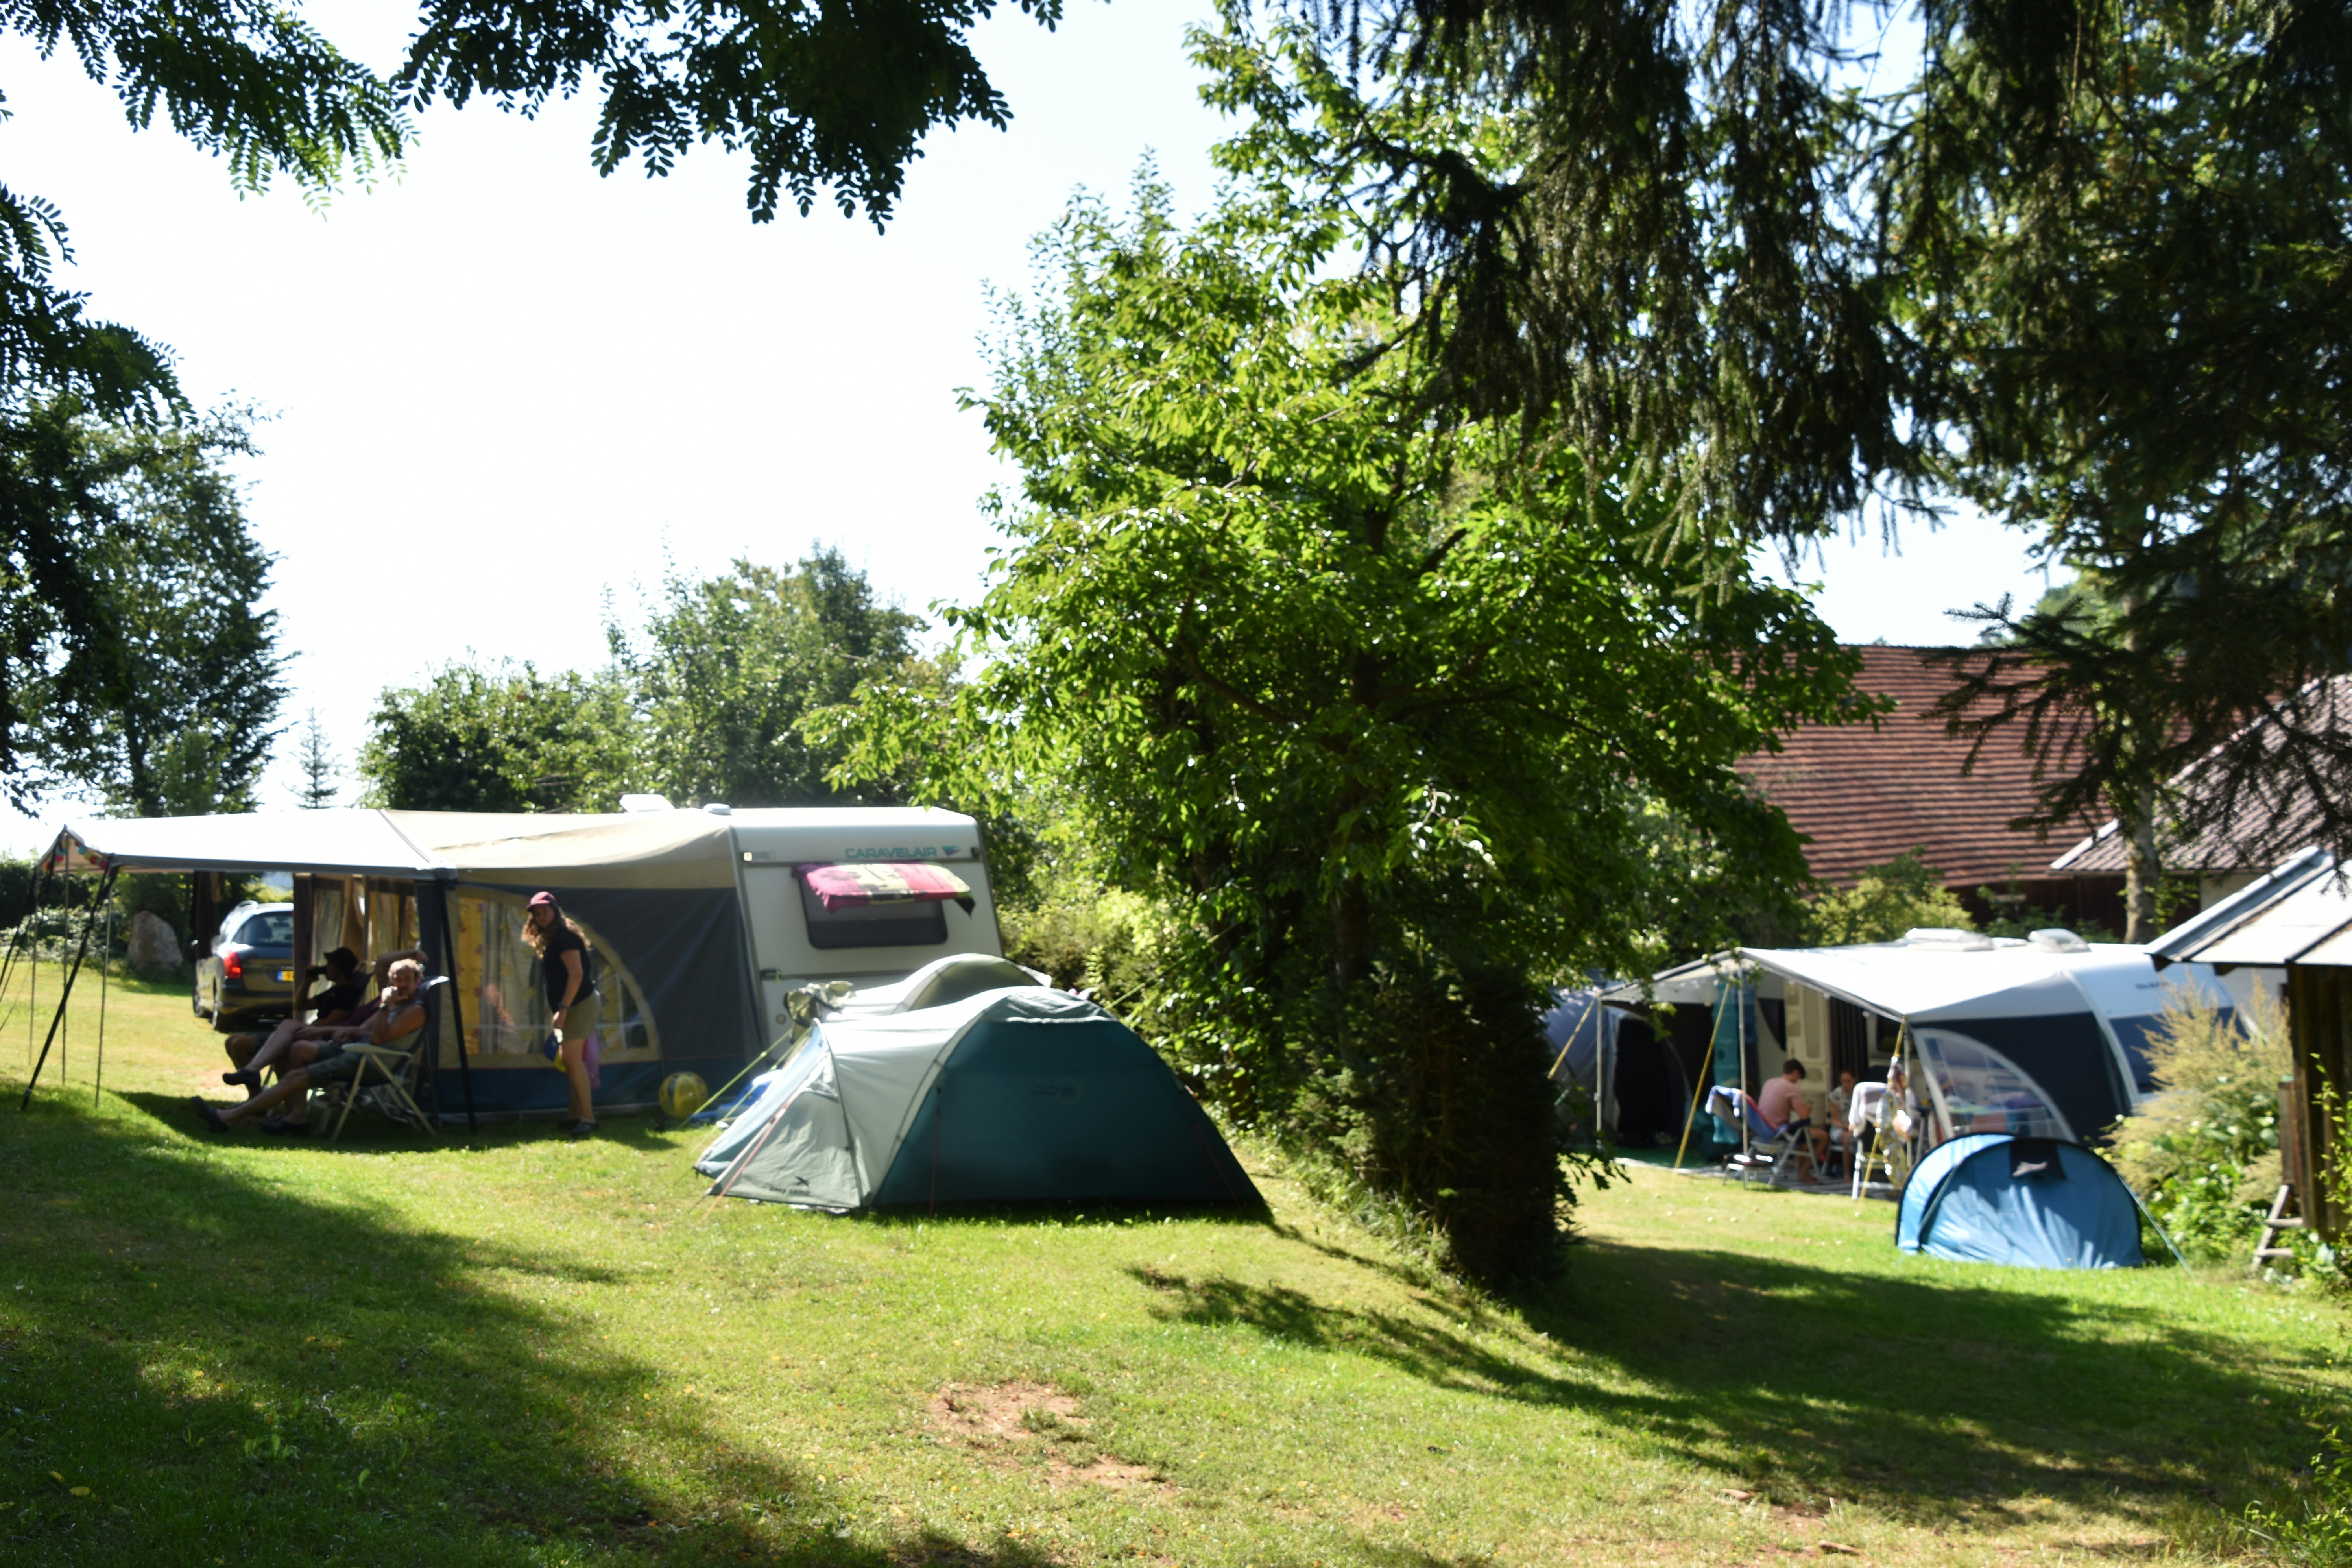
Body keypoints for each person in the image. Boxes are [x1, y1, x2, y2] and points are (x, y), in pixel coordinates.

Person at [193, 959, 428, 1133]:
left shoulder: (414, 1011)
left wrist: (385, 1007)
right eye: (398, 978)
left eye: (408, 980)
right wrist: (333, 1033)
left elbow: (377, 1040)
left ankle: (227, 1117)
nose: (402, 984)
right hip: (354, 1048)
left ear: (418, 982)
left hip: (371, 1061)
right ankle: (297, 1118)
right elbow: (362, 1031)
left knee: (296, 1075)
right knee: (298, 1049)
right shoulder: (393, 1004)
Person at [525, 891, 600, 1138]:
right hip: (572, 1004)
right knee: (569, 1059)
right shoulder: (553, 938)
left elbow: (577, 975)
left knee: (571, 1058)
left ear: (556, 911)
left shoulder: (564, 938)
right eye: (537, 913)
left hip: (580, 1003)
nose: (541, 916)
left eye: (545, 911)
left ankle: (588, 1119)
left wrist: (565, 1009)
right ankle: (575, 1115)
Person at [220, 947, 364, 1076]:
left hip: (318, 1038)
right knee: (232, 1040)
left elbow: (333, 1021)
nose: (326, 968)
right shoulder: (333, 991)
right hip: (308, 1033)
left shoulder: (349, 993)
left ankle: (252, 1082)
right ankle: (255, 1091)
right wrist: (307, 982)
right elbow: (300, 1006)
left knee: (239, 1044)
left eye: (330, 964)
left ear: (340, 968)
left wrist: (306, 1029)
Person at [1757, 1060, 1831, 1167]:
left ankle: (1801, 1172)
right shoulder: (1792, 1087)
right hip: (1778, 1131)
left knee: (1804, 1138)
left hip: (1762, 1129)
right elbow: (1804, 1116)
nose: (1798, 1082)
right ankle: (1805, 1170)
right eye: (1799, 1079)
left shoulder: (1770, 1082)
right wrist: (1809, 1106)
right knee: (1823, 1136)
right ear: (1797, 1073)